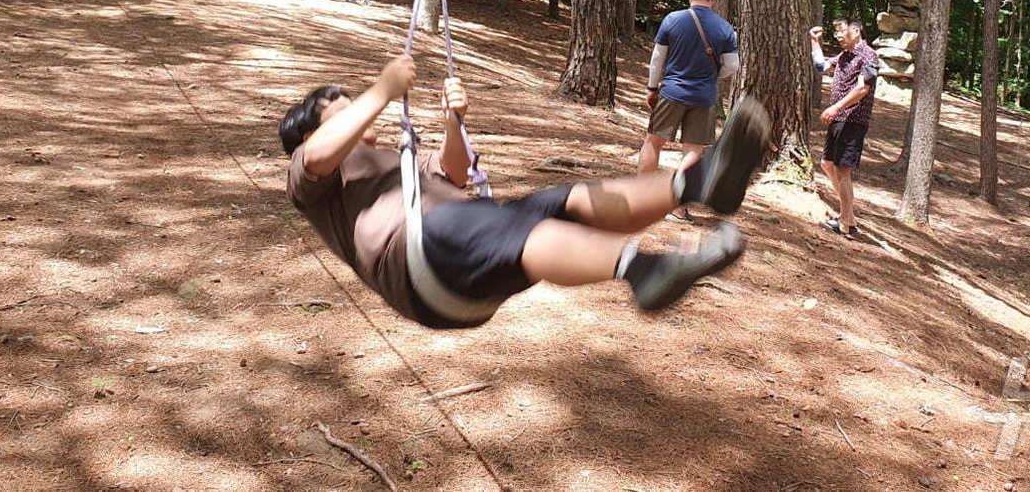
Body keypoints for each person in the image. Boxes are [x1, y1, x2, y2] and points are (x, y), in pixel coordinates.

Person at [280, 54, 771, 327]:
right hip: (419, 263)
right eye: (339, 106)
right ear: (309, 131)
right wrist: (382, 90)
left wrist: (455, 121)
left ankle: (698, 182)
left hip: (459, 251)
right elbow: (321, 154)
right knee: (507, 224)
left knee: (563, 200)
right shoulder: (313, 177)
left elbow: (452, 171)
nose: (355, 106)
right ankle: (644, 271)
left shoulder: (400, 161)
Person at [639, 0, 739, 223]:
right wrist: (712, 77)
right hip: (705, 95)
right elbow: (732, 66)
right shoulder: (725, 28)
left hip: (671, 91)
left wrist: (652, 88)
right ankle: (677, 205)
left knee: (653, 142)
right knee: (693, 151)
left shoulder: (672, 20)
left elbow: (657, 58)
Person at [809, 19, 879, 239]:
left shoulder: (868, 56)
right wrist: (814, 41)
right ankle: (848, 217)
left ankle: (846, 223)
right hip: (839, 119)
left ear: (856, 31)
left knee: (842, 170)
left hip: (853, 120)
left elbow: (862, 89)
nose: (838, 36)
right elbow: (821, 66)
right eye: (836, 32)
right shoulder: (844, 56)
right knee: (827, 164)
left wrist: (836, 107)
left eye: (841, 32)